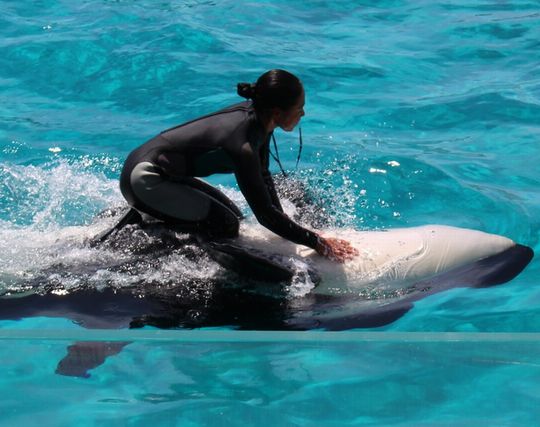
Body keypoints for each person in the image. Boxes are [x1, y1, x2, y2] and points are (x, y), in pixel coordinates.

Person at [119, 69, 357, 262]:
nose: (303, 113)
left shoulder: (259, 122)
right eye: (299, 108)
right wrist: (317, 242)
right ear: (277, 111)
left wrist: (289, 226)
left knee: (235, 217)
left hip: (161, 173)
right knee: (225, 225)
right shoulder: (242, 144)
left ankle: (153, 216)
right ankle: (151, 235)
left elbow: (264, 180)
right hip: (144, 178)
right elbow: (265, 216)